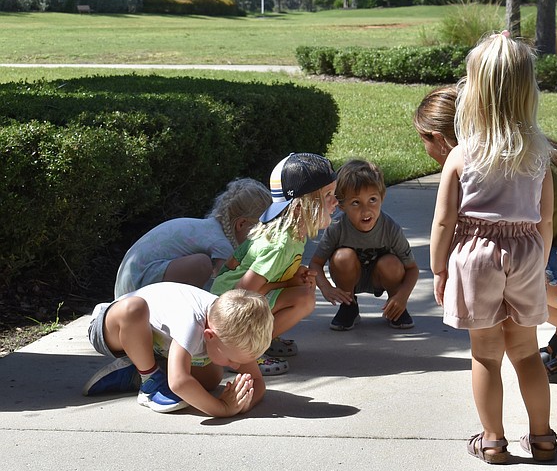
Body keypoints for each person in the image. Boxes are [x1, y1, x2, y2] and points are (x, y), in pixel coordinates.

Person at [414, 85, 557, 385]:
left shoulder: (498, 164)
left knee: (494, 266)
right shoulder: (526, 147)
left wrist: (443, 268)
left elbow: (504, 239)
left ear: (440, 139)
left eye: (424, 142)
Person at [429, 31, 557, 464]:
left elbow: (444, 221)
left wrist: (439, 269)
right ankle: (542, 438)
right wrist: (539, 262)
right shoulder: (539, 155)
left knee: (485, 354)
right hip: (526, 252)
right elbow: (546, 219)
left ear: (476, 93)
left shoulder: (462, 155)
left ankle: (492, 441)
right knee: (526, 352)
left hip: (475, 255)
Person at [211, 153, 338, 376]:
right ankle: (245, 352)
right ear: (300, 206)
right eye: (327, 195)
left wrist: (293, 276)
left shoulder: (293, 234)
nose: (335, 201)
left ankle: (262, 339)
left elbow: (269, 276)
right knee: (304, 299)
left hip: (237, 302)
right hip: (228, 310)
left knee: (302, 293)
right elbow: (241, 293)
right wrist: (287, 285)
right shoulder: (280, 245)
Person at [82, 282, 274, 418]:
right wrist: (222, 408)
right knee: (134, 308)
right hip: (112, 327)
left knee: (210, 379)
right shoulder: (191, 324)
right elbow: (179, 383)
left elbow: (258, 382)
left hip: (156, 345)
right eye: (232, 360)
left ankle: (135, 371)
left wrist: (243, 402)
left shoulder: (232, 329)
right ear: (209, 336)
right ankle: (150, 381)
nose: (237, 366)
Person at [114, 177, 272, 298]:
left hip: (130, 289)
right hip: (137, 290)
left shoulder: (207, 229)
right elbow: (227, 291)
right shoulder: (221, 244)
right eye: (262, 231)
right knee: (201, 265)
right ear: (241, 224)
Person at [309, 158, 419, 331]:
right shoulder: (337, 228)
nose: (366, 210)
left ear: (382, 197)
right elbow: (315, 263)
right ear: (341, 205)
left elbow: (412, 269)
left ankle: (395, 307)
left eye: (372, 200)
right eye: (355, 202)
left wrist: (402, 297)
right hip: (349, 276)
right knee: (342, 257)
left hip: (380, 277)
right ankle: (349, 307)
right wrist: (326, 288)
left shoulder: (390, 229)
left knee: (391, 263)